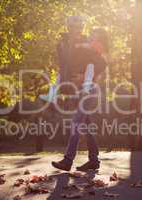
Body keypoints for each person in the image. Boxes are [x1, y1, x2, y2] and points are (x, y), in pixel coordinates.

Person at [51, 17, 108, 172]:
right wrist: (59, 88)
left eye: (80, 27)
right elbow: (63, 67)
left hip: (89, 89)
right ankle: (94, 160)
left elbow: (101, 63)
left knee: (76, 123)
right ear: (69, 28)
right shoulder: (62, 45)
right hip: (75, 89)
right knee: (86, 125)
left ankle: (68, 160)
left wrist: (83, 78)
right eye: (75, 27)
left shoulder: (86, 44)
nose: (78, 31)